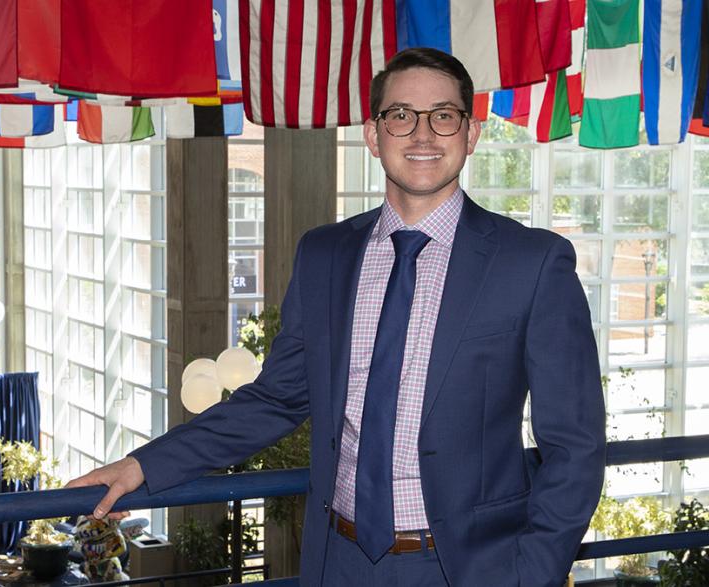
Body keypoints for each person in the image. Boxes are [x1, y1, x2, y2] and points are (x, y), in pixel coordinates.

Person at [67, 47, 606, 587]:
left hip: (469, 568)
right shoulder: (325, 255)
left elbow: (575, 447)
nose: (423, 134)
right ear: (374, 136)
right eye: (400, 116)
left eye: (444, 116)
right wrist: (144, 466)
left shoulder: (532, 263)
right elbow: (277, 398)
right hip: (337, 561)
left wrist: (529, 574)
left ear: (470, 134)